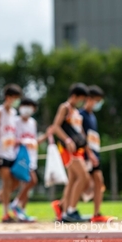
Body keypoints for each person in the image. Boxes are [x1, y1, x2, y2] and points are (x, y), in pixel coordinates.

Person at [50, 83, 97, 223]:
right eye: (81, 99)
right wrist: (67, 139)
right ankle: (71, 210)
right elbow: (55, 127)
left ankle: (63, 210)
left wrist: (90, 152)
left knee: (72, 181)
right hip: (68, 149)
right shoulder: (65, 108)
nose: (82, 102)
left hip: (78, 149)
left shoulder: (76, 112)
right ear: (74, 96)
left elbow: (81, 134)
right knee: (83, 177)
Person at [0, 84, 23, 223]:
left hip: (12, 153)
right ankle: (5, 213)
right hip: (1, 153)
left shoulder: (14, 114)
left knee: (15, 183)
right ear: (8, 97)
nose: (17, 101)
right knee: (6, 183)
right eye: (15, 98)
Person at [9, 98, 48, 222]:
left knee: (27, 185)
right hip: (19, 157)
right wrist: (23, 142)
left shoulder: (33, 123)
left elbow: (34, 141)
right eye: (24, 105)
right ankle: (15, 204)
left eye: (29, 106)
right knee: (32, 181)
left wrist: (46, 135)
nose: (26, 109)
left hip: (32, 157)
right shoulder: (14, 121)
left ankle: (22, 213)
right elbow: (10, 139)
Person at [80, 85, 112, 223]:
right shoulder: (81, 115)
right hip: (85, 155)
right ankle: (63, 207)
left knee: (99, 181)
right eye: (97, 100)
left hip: (94, 153)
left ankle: (97, 213)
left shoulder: (93, 116)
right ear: (89, 99)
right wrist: (89, 153)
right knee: (81, 182)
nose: (98, 104)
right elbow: (81, 137)